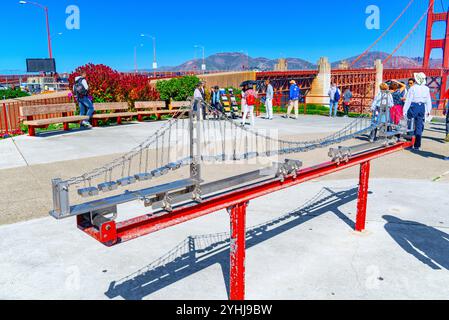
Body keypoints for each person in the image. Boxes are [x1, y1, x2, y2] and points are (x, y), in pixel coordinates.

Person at [403, 72, 433, 151]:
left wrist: (404, 110)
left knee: (411, 125)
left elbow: (408, 100)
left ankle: (409, 144)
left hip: (413, 106)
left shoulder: (413, 88)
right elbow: (428, 101)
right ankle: (417, 145)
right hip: (422, 107)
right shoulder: (427, 88)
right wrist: (428, 110)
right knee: (419, 126)